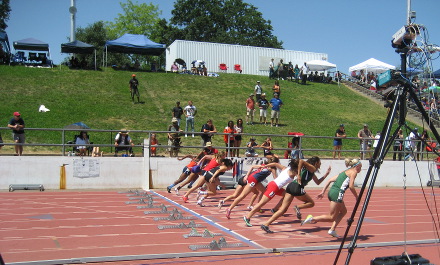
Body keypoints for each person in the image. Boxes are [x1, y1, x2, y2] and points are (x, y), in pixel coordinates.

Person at [260, 157, 331, 233]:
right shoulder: (312, 168)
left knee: (282, 210)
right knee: (311, 203)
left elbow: (318, 182)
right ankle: (297, 207)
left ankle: (266, 224)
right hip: (297, 187)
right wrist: (299, 175)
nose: (320, 164)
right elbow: (301, 161)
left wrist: (326, 174)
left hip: (290, 186)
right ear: (316, 162)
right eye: (320, 162)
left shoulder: (310, 170)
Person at [301, 158, 361, 238]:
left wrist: (323, 191)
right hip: (337, 193)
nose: (360, 169)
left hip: (331, 192)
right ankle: (312, 219)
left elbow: (329, 180)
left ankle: (332, 230)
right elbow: (351, 186)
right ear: (357, 166)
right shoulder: (353, 172)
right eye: (360, 167)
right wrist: (357, 197)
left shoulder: (343, 172)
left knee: (343, 211)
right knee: (331, 217)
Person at [243, 158, 304, 227]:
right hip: (274, 187)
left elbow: (275, 164)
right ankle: (247, 217)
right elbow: (299, 174)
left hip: (277, 187)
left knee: (287, 195)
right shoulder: (294, 173)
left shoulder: (286, 168)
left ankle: (275, 209)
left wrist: (265, 166)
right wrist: (265, 166)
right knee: (262, 203)